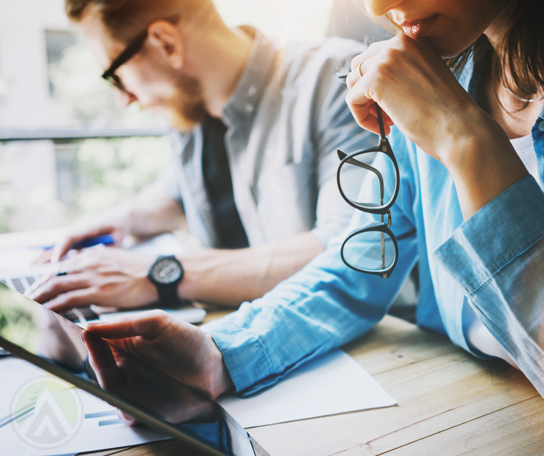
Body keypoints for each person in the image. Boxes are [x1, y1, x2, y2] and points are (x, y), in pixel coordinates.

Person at [82, 0, 544, 454]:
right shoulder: (433, 73)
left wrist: (464, 139)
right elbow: (358, 265)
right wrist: (220, 353)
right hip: (454, 400)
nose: (378, 7)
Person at [26, 0, 375, 312]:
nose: (125, 98)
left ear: (167, 43)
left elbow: (350, 249)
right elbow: (177, 192)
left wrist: (161, 272)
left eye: (115, 76)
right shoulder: (187, 109)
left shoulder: (338, 79)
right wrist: (121, 221)